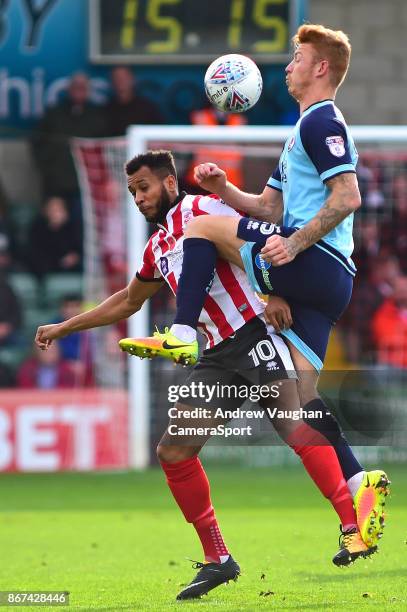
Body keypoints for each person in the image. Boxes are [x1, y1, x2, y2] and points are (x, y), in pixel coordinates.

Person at [36, 151, 382, 600]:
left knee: (295, 425)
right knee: (175, 451)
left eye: (144, 188)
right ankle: (218, 558)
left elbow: (244, 244)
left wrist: (268, 293)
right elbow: (126, 301)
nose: (139, 199)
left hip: (253, 330)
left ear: (169, 182)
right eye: (132, 192)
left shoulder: (200, 208)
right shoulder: (157, 248)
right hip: (217, 357)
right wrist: (65, 326)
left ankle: (352, 522)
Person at [127, 24, 391, 550]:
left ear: (322, 68)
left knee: (198, 225)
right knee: (301, 398)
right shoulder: (300, 131)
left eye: (297, 58)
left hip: (316, 261)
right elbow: (270, 209)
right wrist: (226, 189)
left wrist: (292, 247)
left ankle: (182, 331)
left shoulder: (321, 121)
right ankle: (361, 489)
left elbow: (349, 196)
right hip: (323, 282)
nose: (289, 65)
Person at [31, 72, 106, 205]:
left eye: (83, 86)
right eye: (76, 86)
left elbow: (105, 148)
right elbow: (37, 141)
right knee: (55, 222)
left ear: (88, 90)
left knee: (83, 222)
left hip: (85, 184)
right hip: (55, 184)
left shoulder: (98, 115)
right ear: (69, 89)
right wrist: (47, 168)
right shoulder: (54, 113)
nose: (79, 90)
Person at [26, 196, 82, 278]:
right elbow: (38, 251)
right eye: (52, 210)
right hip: (46, 268)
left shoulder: (72, 227)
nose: (55, 213)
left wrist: (74, 257)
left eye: (58, 209)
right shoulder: (38, 227)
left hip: (70, 268)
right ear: (45, 211)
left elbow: (77, 249)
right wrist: (53, 228)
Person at [103, 66, 164, 136]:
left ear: (133, 79)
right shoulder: (105, 110)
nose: (120, 81)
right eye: (116, 78)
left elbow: (160, 135)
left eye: (124, 78)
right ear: (111, 81)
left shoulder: (148, 108)